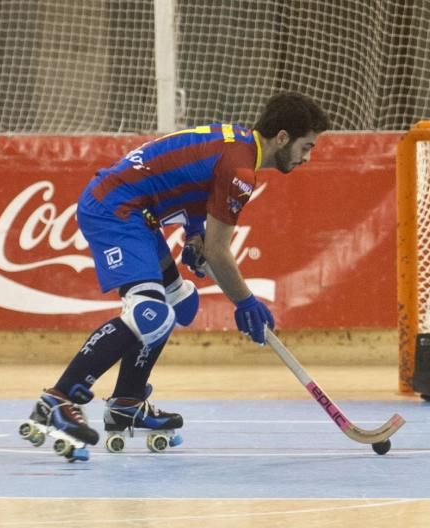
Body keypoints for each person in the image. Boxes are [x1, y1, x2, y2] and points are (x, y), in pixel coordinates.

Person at [23, 92, 331, 451]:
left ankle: (127, 403)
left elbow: (194, 182)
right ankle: (60, 398)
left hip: (140, 213)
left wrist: (194, 233)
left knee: (179, 302)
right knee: (149, 314)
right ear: (282, 138)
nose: (307, 158)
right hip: (117, 209)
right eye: (306, 147)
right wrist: (244, 301)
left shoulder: (237, 142)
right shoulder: (241, 171)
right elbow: (218, 252)